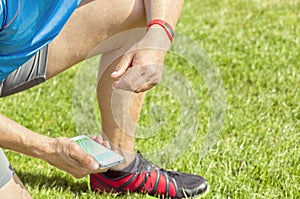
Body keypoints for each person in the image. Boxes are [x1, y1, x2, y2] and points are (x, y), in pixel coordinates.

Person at [0, 0, 208, 198]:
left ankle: (120, 168)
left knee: (134, 9)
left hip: (13, 47)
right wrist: (47, 148)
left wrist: (159, 33)